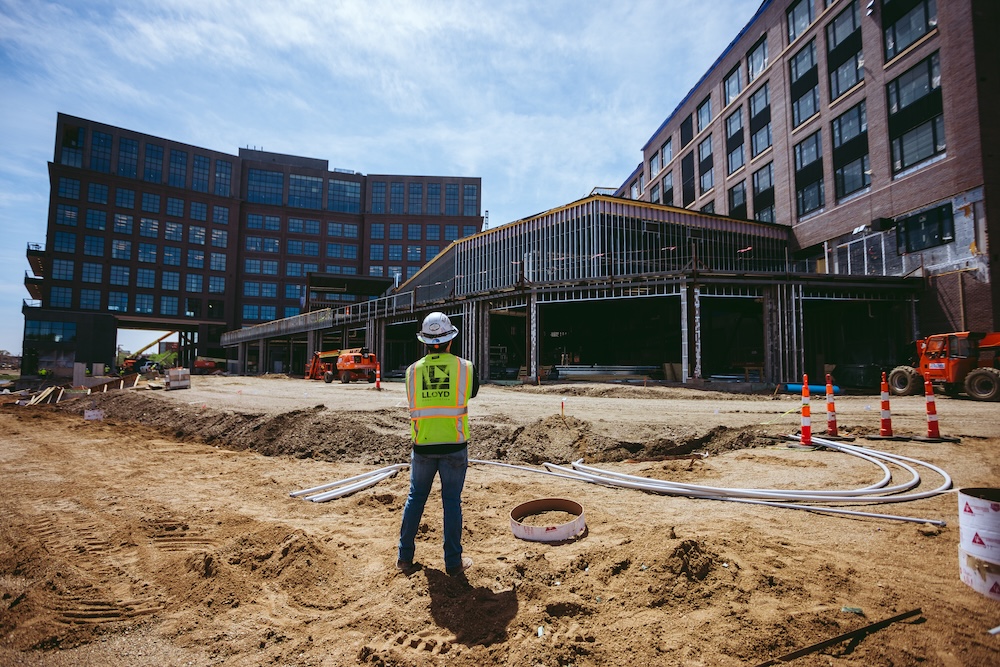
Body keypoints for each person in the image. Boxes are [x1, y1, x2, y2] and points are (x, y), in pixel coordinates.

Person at [397, 312, 479, 576]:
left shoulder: (411, 372)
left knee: (415, 499)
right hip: (454, 445)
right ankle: (453, 564)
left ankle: (404, 558)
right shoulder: (466, 368)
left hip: (423, 445)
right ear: (450, 340)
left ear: (425, 342)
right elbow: (471, 392)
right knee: (451, 502)